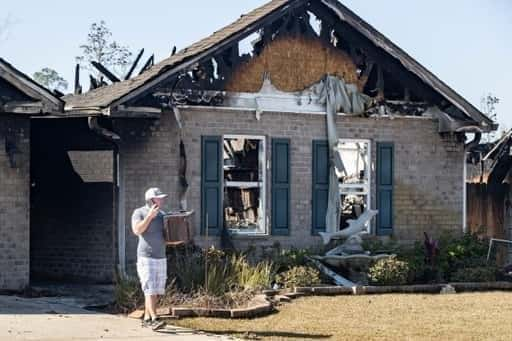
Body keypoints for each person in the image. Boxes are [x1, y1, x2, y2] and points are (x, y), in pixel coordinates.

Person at [131, 187, 168, 330]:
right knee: (150, 289)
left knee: (156, 291)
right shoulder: (139, 212)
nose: (162, 200)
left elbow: (167, 237)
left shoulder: (163, 215)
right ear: (151, 199)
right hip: (146, 257)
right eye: (159, 198)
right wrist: (149, 217)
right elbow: (137, 230)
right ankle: (154, 318)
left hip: (161, 257)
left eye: (162, 198)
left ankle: (146, 319)